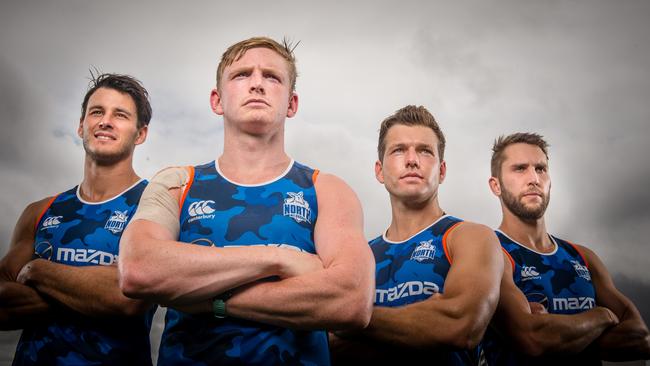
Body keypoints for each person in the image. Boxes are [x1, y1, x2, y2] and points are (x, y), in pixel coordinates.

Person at [118, 36, 374, 365]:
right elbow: (139, 269)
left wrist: (210, 299)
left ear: (292, 103)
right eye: (241, 75)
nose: (257, 84)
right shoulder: (178, 182)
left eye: (272, 76)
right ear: (217, 100)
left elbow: (351, 301)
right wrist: (278, 259)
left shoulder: (326, 189)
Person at [329, 105, 503, 364]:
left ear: (441, 171)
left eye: (424, 151)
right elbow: (328, 347)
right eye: (399, 150)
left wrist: (350, 320)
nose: (412, 160)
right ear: (379, 170)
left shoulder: (469, 237)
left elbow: (461, 323)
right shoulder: (361, 256)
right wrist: (424, 318)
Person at [0, 73, 155, 364]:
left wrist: (37, 272)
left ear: (140, 134)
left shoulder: (155, 207)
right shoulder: (40, 211)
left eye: (120, 114)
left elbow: (125, 299)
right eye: (97, 112)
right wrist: (91, 294)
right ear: (81, 125)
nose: (105, 121)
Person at [483, 132, 650, 364]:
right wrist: (601, 316)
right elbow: (534, 339)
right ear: (496, 185)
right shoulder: (489, 252)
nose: (534, 178)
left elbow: (641, 337)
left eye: (540, 169)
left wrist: (559, 331)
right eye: (520, 168)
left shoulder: (583, 257)